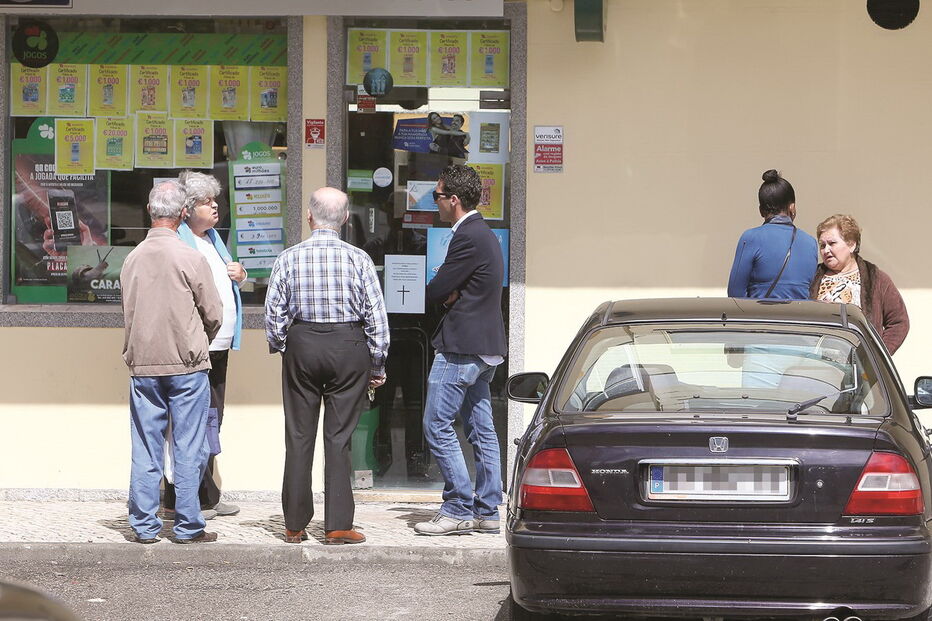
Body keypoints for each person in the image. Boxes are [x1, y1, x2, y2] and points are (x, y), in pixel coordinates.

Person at [265, 187, 389, 545]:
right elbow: (376, 318)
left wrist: (283, 345)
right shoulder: (359, 259)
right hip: (348, 347)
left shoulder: (288, 258)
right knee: (339, 438)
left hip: (302, 345)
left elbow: (274, 314)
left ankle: (294, 524)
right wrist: (377, 363)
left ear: (309, 217)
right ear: (346, 219)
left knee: (299, 436)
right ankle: (337, 525)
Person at [120, 180, 222, 544]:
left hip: (144, 365)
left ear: (150, 211)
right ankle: (188, 525)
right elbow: (214, 313)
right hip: (187, 365)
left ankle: (144, 526)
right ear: (182, 214)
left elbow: (128, 313)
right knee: (188, 446)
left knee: (146, 445)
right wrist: (198, 340)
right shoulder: (190, 257)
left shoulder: (131, 259)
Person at [414, 164, 506, 536]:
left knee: (436, 424)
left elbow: (436, 290)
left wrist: (448, 290)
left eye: (437, 196)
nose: (434, 202)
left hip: (462, 349)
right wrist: (452, 290)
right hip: (483, 349)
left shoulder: (467, 235)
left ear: (453, 200)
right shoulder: (483, 234)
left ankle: (457, 507)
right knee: (481, 429)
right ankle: (487, 510)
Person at [160, 171, 246, 520]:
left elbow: (222, 281)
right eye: (206, 202)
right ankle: (181, 499)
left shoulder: (212, 238)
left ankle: (206, 492)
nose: (214, 207)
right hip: (195, 348)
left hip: (219, 345)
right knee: (186, 423)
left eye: (215, 200)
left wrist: (240, 276)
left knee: (212, 420)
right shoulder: (180, 242)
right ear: (187, 209)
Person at [810, 214, 909, 354]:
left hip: (859, 369)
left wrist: (877, 355)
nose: (826, 250)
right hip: (817, 363)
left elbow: (899, 322)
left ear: (851, 245)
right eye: (822, 245)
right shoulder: (812, 277)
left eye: (832, 243)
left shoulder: (876, 278)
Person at [727, 169, 818, 299]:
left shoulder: (750, 238)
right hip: (799, 318)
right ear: (792, 207)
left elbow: (735, 294)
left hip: (761, 317)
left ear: (761, 211)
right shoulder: (810, 242)